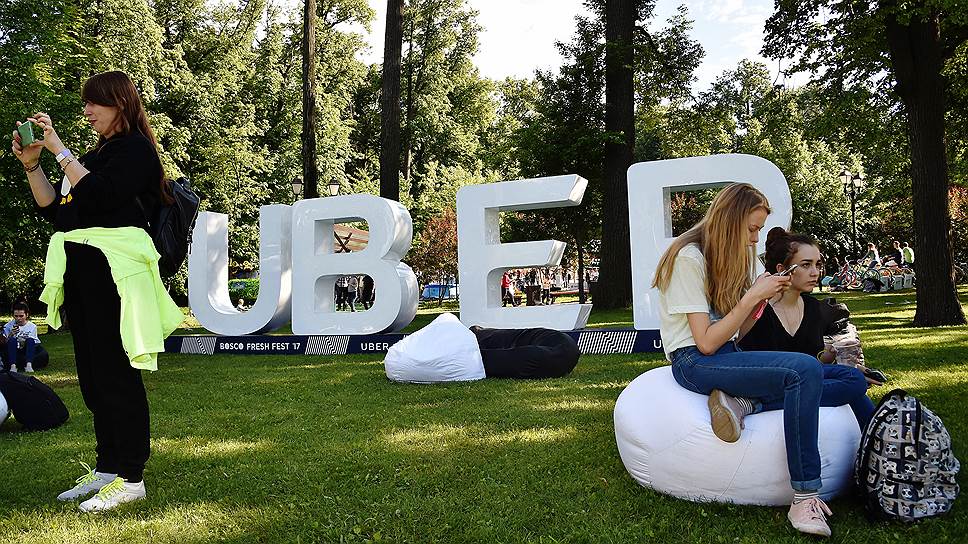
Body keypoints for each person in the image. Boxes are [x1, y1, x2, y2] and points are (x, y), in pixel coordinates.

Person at [12, 71, 167, 512]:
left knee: (117, 375)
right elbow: (57, 211)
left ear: (120, 102)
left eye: (94, 103)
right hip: (82, 276)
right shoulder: (95, 155)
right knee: (94, 378)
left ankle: (132, 477)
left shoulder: (136, 149)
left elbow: (100, 194)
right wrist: (32, 163)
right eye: (85, 104)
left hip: (114, 277)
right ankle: (108, 467)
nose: (86, 111)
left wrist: (60, 150)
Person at [651, 183, 832, 537]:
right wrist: (751, 297)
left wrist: (762, 299)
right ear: (730, 221)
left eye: (759, 230)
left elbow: (738, 333)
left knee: (845, 378)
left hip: (727, 353)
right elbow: (705, 343)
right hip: (693, 362)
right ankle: (804, 497)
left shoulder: (734, 257)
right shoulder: (688, 257)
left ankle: (744, 403)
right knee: (806, 369)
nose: (755, 239)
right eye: (751, 229)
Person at [738, 228, 876, 430]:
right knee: (854, 384)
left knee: (853, 378)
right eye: (806, 265)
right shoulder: (759, 309)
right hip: (767, 384)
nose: (815, 272)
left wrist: (830, 359)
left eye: (817, 264)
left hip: (801, 382)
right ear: (782, 269)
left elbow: (809, 363)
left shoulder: (813, 308)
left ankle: (878, 437)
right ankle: (880, 436)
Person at [2, 302, 41, 373]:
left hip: (26, 349)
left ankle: (28, 365)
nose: (18, 318)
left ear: (27, 315)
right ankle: (13, 366)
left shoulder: (32, 326)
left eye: (21, 316)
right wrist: (11, 334)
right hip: (12, 349)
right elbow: (4, 343)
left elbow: (35, 343)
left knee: (30, 340)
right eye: (16, 316)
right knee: (12, 340)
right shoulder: (8, 326)